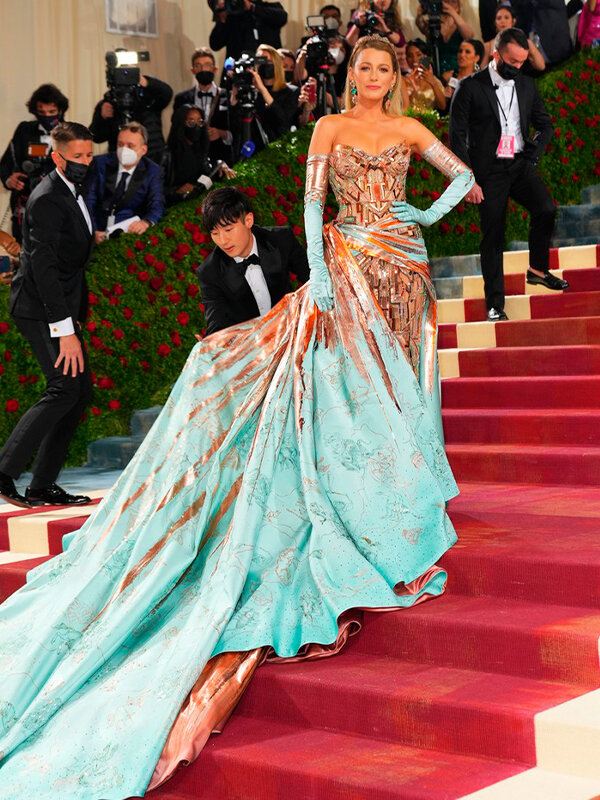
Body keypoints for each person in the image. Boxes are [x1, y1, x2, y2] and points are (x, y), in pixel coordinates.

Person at [0, 36, 472, 799]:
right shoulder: (328, 127)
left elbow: (467, 178)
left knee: (407, 377)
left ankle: (410, 483)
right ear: (352, 76)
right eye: (364, 68)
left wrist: (423, 209)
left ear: (395, 76)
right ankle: (369, 492)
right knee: (359, 385)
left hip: (406, 263)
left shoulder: (413, 128)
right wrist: (322, 275)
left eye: (384, 68)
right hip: (350, 263)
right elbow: (313, 205)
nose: (373, 76)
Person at [0, 122, 94, 509]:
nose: (85, 162)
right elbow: (44, 269)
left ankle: (41, 486)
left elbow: (73, 264)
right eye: (77, 156)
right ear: (57, 157)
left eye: (89, 155)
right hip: (38, 307)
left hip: (58, 307)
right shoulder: (47, 199)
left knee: (77, 391)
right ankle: (4, 471)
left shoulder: (71, 190)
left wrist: (74, 317)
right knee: (63, 388)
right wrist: (65, 328)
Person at [449, 27, 568, 322]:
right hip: (488, 172)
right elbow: (456, 138)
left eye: (522, 62)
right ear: (496, 54)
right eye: (513, 62)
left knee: (546, 208)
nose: (518, 67)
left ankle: (537, 270)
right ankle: (494, 305)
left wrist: (533, 154)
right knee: (493, 236)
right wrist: (468, 180)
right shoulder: (470, 87)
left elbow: (545, 124)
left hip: (519, 164)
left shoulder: (527, 85)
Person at [196, 187, 309, 334]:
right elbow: (217, 321)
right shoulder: (209, 271)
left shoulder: (280, 239)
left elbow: (312, 277)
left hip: (294, 328)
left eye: (228, 230)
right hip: (253, 343)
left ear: (248, 220)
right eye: (215, 233)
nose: (223, 241)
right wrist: (212, 343)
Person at [0, 84, 69, 242]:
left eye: (52, 112)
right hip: (24, 208)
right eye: (42, 112)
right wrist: (9, 179)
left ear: (60, 110)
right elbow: (5, 164)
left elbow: (81, 171)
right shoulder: (24, 130)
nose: (47, 116)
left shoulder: (70, 134)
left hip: (57, 209)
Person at [84, 122, 164, 243]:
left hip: (129, 235)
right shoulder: (100, 163)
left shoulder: (152, 171)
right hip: (97, 229)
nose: (124, 150)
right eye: (120, 144)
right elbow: (89, 201)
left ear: (143, 150)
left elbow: (157, 205)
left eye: (130, 146)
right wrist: (92, 231)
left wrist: (145, 222)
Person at [230, 44, 300, 157]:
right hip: (252, 151)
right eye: (261, 61)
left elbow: (283, 121)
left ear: (277, 65)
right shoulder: (252, 92)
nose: (265, 65)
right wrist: (234, 94)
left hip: (277, 152)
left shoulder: (291, 91)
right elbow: (235, 125)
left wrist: (262, 89)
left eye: (269, 61)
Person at [89, 73, 173, 165]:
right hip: (121, 160)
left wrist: (146, 82)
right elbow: (96, 137)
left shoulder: (149, 99)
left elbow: (167, 93)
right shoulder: (109, 103)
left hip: (152, 157)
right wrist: (102, 117)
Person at [172, 47, 234, 166]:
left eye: (207, 65)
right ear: (192, 70)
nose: (203, 69)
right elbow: (177, 130)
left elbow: (237, 130)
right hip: (191, 160)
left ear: (215, 69)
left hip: (222, 159)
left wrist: (221, 133)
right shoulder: (182, 99)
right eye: (198, 66)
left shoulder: (228, 96)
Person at [208, 0, 287, 61]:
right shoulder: (232, 17)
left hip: (269, 67)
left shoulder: (270, 8)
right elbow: (215, 44)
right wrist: (222, 18)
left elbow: (282, 17)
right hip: (240, 68)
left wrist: (252, 8)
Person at [481, 4, 545, 72]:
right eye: (499, 18)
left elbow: (541, 66)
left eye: (506, 17)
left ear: (513, 21)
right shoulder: (488, 46)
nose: (502, 21)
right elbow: (483, 73)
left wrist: (530, 52)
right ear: (495, 23)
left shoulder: (526, 42)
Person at [416, 0, 474, 74]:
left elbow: (469, 36)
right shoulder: (433, 23)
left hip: (457, 71)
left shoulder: (461, 25)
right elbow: (421, 25)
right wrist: (419, 14)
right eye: (446, 1)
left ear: (458, 6)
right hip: (434, 69)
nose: (449, 4)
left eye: (453, 2)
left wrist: (452, 12)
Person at [405, 39, 447, 113]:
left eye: (418, 55)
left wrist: (433, 83)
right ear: (406, 59)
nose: (414, 59)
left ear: (425, 57)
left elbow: (442, 106)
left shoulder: (434, 80)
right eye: (410, 56)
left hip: (430, 119)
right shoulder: (402, 80)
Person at [443, 39, 485, 105]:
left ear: (476, 58)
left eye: (467, 52)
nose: (462, 55)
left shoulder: (481, 81)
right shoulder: (448, 76)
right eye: (460, 51)